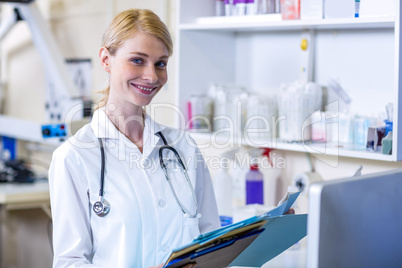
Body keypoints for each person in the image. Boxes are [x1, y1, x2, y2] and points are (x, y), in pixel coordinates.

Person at [48, 9, 220, 268]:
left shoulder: (182, 146)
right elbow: (69, 263)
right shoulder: (73, 157)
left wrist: (263, 232)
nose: (152, 76)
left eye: (160, 63)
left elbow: (211, 241)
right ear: (106, 59)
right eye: (138, 60)